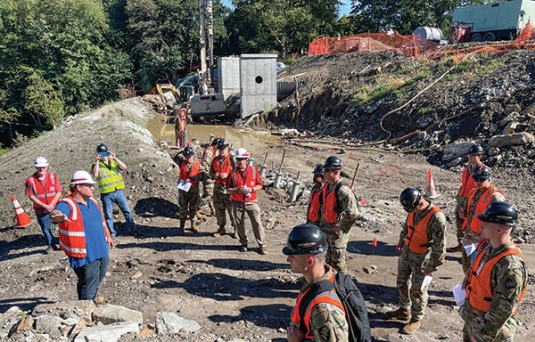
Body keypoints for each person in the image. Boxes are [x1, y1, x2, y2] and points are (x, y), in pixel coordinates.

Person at [461, 202, 528, 342]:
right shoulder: (488, 246)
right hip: (474, 321)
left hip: (491, 333)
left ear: (499, 229)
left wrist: (483, 336)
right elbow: (476, 270)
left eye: (486, 223)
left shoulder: (510, 266)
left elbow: (503, 309)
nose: (480, 226)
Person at [385, 188, 447, 334]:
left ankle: (416, 318)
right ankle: (404, 309)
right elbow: (407, 227)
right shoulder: (412, 210)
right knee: (401, 282)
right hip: (407, 252)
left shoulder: (436, 218)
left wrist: (432, 267)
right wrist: (401, 241)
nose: (410, 211)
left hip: (423, 259)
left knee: (418, 290)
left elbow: (441, 246)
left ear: (420, 202)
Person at [50, 171, 115, 301]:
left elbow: (101, 220)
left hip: (101, 249)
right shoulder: (68, 204)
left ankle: (89, 303)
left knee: (96, 280)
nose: (92, 188)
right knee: (88, 281)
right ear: (78, 187)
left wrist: (108, 235)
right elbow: (56, 213)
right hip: (85, 254)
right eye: (89, 185)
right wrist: (56, 216)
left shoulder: (92, 201)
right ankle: (86, 307)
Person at [284, 223, 349, 342]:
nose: (288, 259)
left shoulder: (324, 309)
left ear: (309, 261)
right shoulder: (328, 275)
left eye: (293, 255)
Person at [459, 165, 505, 273]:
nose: (479, 182)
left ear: (489, 179)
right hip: (470, 237)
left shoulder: (495, 196)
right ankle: (468, 288)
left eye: (482, 179)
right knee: (467, 268)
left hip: (483, 240)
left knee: (478, 269)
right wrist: (463, 213)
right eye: (476, 179)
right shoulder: (473, 192)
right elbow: (467, 212)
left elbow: (501, 220)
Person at [318, 156, 359, 273]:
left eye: (326, 170)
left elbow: (353, 213)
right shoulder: (327, 185)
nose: (324, 172)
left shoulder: (343, 190)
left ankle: (342, 287)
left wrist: (340, 226)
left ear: (336, 172)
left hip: (337, 234)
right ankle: (329, 285)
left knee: (338, 264)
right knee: (327, 261)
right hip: (327, 230)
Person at [91, 143, 138, 237]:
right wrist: (96, 161)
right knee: (108, 215)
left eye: (104, 153)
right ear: (98, 154)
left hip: (118, 192)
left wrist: (115, 158)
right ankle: (112, 234)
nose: (103, 155)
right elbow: (95, 174)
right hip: (106, 194)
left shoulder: (113, 162)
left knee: (127, 211)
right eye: (101, 153)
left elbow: (124, 167)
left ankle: (133, 229)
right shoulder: (97, 165)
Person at [227, 148, 267, 254]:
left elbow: (260, 185)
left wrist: (251, 189)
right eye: (238, 159)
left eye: (241, 159)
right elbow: (227, 189)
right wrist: (236, 190)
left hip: (251, 201)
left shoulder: (254, 171)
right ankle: (243, 243)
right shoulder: (232, 173)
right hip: (237, 202)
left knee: (257, 222)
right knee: (239, 224)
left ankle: (262, 244)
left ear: (246, 160)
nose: (239, 161)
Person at [451, 144, 484, 253]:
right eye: (469, 155)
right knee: (459, 221)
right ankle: (461, 245)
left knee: (470, 225)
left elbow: (482, 187)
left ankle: (471, 251)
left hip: (472, 200)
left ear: (479, 156)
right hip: (462, 198)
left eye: (473, 155)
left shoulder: (482, 170)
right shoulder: (468, 168)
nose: (470, 157)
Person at [25, 157, 63, 253]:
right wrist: (45, 206)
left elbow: (58, 192)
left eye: (43, 167)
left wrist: (51, 205)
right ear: (35, 167)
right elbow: (31, 196)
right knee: (45, 228)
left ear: (46, 166)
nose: (41, 169)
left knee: (63, 224)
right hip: (41, 209)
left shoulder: (53, 177)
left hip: (55, 207)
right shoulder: (30, 180)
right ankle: (51, 245)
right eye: (39, 167)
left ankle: (65, 242)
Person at [210, 139, 237, 238]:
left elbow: (238, 174)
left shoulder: (232, 160)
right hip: (218, 190)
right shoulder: (215, 160)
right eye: (220, 149)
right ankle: (221, 228)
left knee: (233, 212)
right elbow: (210, 173)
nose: (221, 151)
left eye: (223, 149)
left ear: (228, 149)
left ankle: (236, 229)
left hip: (230, 191)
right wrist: (214, 175)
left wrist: (228, 175)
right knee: (219, 210)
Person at [177, 146, 205, 233]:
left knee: (193, 208)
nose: (188, 158)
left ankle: (193, 224)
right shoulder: (181, 162)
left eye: (190, 157)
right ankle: (182, 227)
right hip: (183, 191)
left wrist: (192, 179)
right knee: (183, 209)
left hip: (194, 191)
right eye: (186, 157)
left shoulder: (198, 165)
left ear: (193, 156)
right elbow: (174, 154)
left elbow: (202, 176)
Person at [199, 138, 219, 218]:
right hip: (208, 177)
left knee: (211, 195)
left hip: (210, 176)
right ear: (216, 145)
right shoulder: (209, 152)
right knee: (207, 195)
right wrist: (211, 175)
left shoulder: (212, 151)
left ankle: (213, 210)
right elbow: (204, 166)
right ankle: (195, 208)